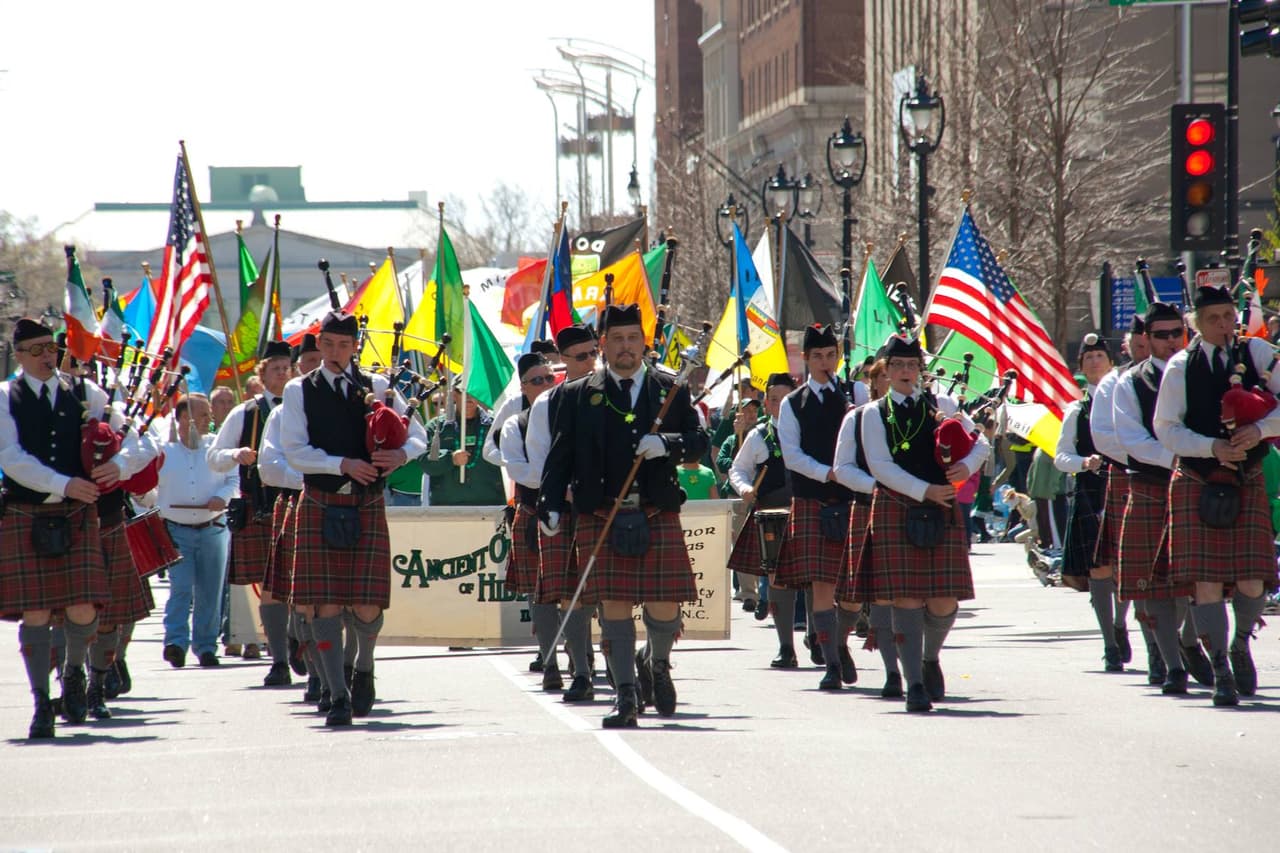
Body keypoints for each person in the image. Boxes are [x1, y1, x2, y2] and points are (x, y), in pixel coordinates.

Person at [539, 304, 707, 728]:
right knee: (614, 607)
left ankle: (658, 664)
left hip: (655, 509)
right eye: (617, 339)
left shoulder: (669, 388)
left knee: (665, 607)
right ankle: (626, 696)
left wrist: (668, 444)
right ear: (603, 345)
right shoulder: (574, 395)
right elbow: (559, 457)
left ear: (644, 344)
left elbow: (699, 440)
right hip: (602, 511)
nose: (625, 346)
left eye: (633, 338)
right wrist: (550, 504)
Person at [276, 310, 428, 726]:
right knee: (325, 605)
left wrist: (401, 454)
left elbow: (418, 436)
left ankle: (363, 664)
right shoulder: (298, 391)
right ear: (319, 343)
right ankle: (336, 694)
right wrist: (342, 464)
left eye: (344, 344)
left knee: (364, 605)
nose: (335, 352)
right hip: (323, 500)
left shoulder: (379, 386)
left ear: (355, 346)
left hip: (366, 504)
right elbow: (295, 450)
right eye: (328, 344)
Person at [0, 319, 144, 738]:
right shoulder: (7, 397)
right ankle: (41, 702)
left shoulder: (86, 393)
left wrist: (118, 466)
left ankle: (75, 671)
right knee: (37, 612)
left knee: (84, 607)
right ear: (21, 355)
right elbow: (10, 456)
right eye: (38, 349)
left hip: (77, 515)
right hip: (28, 510)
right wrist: (64, 484)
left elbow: (138, 436)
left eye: (52, 347)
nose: (48, 355)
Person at [1153, 286, 1280, 706]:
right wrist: (1213, 448)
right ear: (1196, 324)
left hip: (1248, 477)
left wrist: (1259, 431)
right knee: (1205, 582)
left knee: (1253, 580)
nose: (1224, 325)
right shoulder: (1179, 367)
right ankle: (1222, 669)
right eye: (1214, 318)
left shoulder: (1259, 354)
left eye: (1228, 316)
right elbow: (1166, 428)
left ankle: (1242, 642)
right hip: (1198, 478)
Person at [857, 333, 988, 712]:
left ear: (920, 369)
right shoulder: (872, 413)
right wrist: (925, 490)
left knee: (945, 602)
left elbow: (979, 440)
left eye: (912, 365)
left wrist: (967, 466)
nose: (904, 371)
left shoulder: (943, 404)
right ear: (885, 369)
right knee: (907, 599)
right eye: (897, 365)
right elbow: (880, 466)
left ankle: (930, 657)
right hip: (897, 506)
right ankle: (914, 682)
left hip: (941, 509)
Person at [1112, 301, 1199, 694]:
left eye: (1175, 333)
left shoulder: (1203, 372)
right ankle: (1169, 660)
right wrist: (1185, 456)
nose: (1169, 341)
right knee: (1155, 585)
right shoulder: (1130, 382)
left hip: (1202, 486)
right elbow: (1132, 441)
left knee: (1199, 583)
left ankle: (1188, 643)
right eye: (1160, 335)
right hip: (1152, 486)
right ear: (1146, 339)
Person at [775, 324, 858, 691]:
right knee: (823, 586)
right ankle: (832, 664)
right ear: (806, 360)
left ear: (837, 357)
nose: (825, 362)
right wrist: (830, 474)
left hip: (855, 500)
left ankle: (839, 640)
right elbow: (792, 456)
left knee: (854, 591)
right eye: (817, 356)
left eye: (830, 355)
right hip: (814, 500)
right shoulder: (793, 403)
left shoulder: (856, 394)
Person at [207, 341, 294, 681]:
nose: (284, 373)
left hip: (298, 502)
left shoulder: (303, 409)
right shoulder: (244, 413)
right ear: (262, 373)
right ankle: (280, 660)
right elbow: (213, 457)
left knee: (302, 585)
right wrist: (236, 454)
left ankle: (297, 645)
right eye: (276, 368)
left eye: (288, 367)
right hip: (260, 508)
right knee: (271, 586)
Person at [524, 324, 600, 691]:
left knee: (606, 591)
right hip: (565, 507)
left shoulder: (613, 394)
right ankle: (579, 667)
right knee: (567, 590)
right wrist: (564, 491)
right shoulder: (547, 402)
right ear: (564, 361)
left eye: (593, 353)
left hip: (605, 507)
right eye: (582, 356)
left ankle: (611, 665)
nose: (590, 361)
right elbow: (539, 461)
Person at [1055, 334, 1131, 671]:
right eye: (1088, 357)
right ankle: (1109, 642)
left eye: (1100, 355)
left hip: (1127, 486)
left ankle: (1120, 621)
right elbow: (1061, 456)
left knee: (1127, 566)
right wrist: (1083, 463)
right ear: (1081, 367)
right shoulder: (1076, 409)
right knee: (1100, 568)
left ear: (1111, 362)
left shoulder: (1126, 400)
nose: (1095, 361)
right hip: (1091, 490)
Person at [498, 351, 566, 692]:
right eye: (536, 380)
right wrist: (561, 482)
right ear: (523, 387)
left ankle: (584, 660)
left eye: (548, 378)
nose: (544, 385)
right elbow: (519, 471)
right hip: (534, 511)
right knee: (542, 593)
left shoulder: (571, 413)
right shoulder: (516, 424)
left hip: (574, 512)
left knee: (579, 593)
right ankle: (550, 659)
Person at [156, 393, 238, 669]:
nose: (209, 419)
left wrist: (223, 497)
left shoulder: (216, 447)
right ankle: (175, 643)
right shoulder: (164, 452)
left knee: (210, 592)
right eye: (203, 414)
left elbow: (233, 477)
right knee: (180, 588)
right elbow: (147, 485)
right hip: (177, 530)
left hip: (213, 528)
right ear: (183, 418)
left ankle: (205, 646)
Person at [727, 373, 797, 665]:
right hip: (771, 514)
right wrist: (744, 489)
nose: (780, 405)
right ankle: (786, 647)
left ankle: (823, 641)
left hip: (806, 510)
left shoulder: (810, 432)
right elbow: (737, 469)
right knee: (777, 580)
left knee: (817, 581)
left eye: (787, 399)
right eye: (775, 400)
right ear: (766, 403)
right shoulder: (759, 435)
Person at [832, 361, 892, 695]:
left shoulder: (918, 415)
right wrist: (879, 487)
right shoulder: (856, 418)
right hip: (868, 507)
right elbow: (843, 469)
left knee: (890, 595)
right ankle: (840, 643)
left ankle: (894, 672)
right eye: (885, 375)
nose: (894, 378)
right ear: (873, 382)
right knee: (854, 596)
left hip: (905, 511)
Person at [420, 383, 505, 506]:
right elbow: (424, 462)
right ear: (454, 394)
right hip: (447, 508)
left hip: (491, 506)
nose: (468, 397)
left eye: (473, 391)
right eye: (463, 392)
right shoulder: (436, 427)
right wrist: (450, 459)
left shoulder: (496, 425)